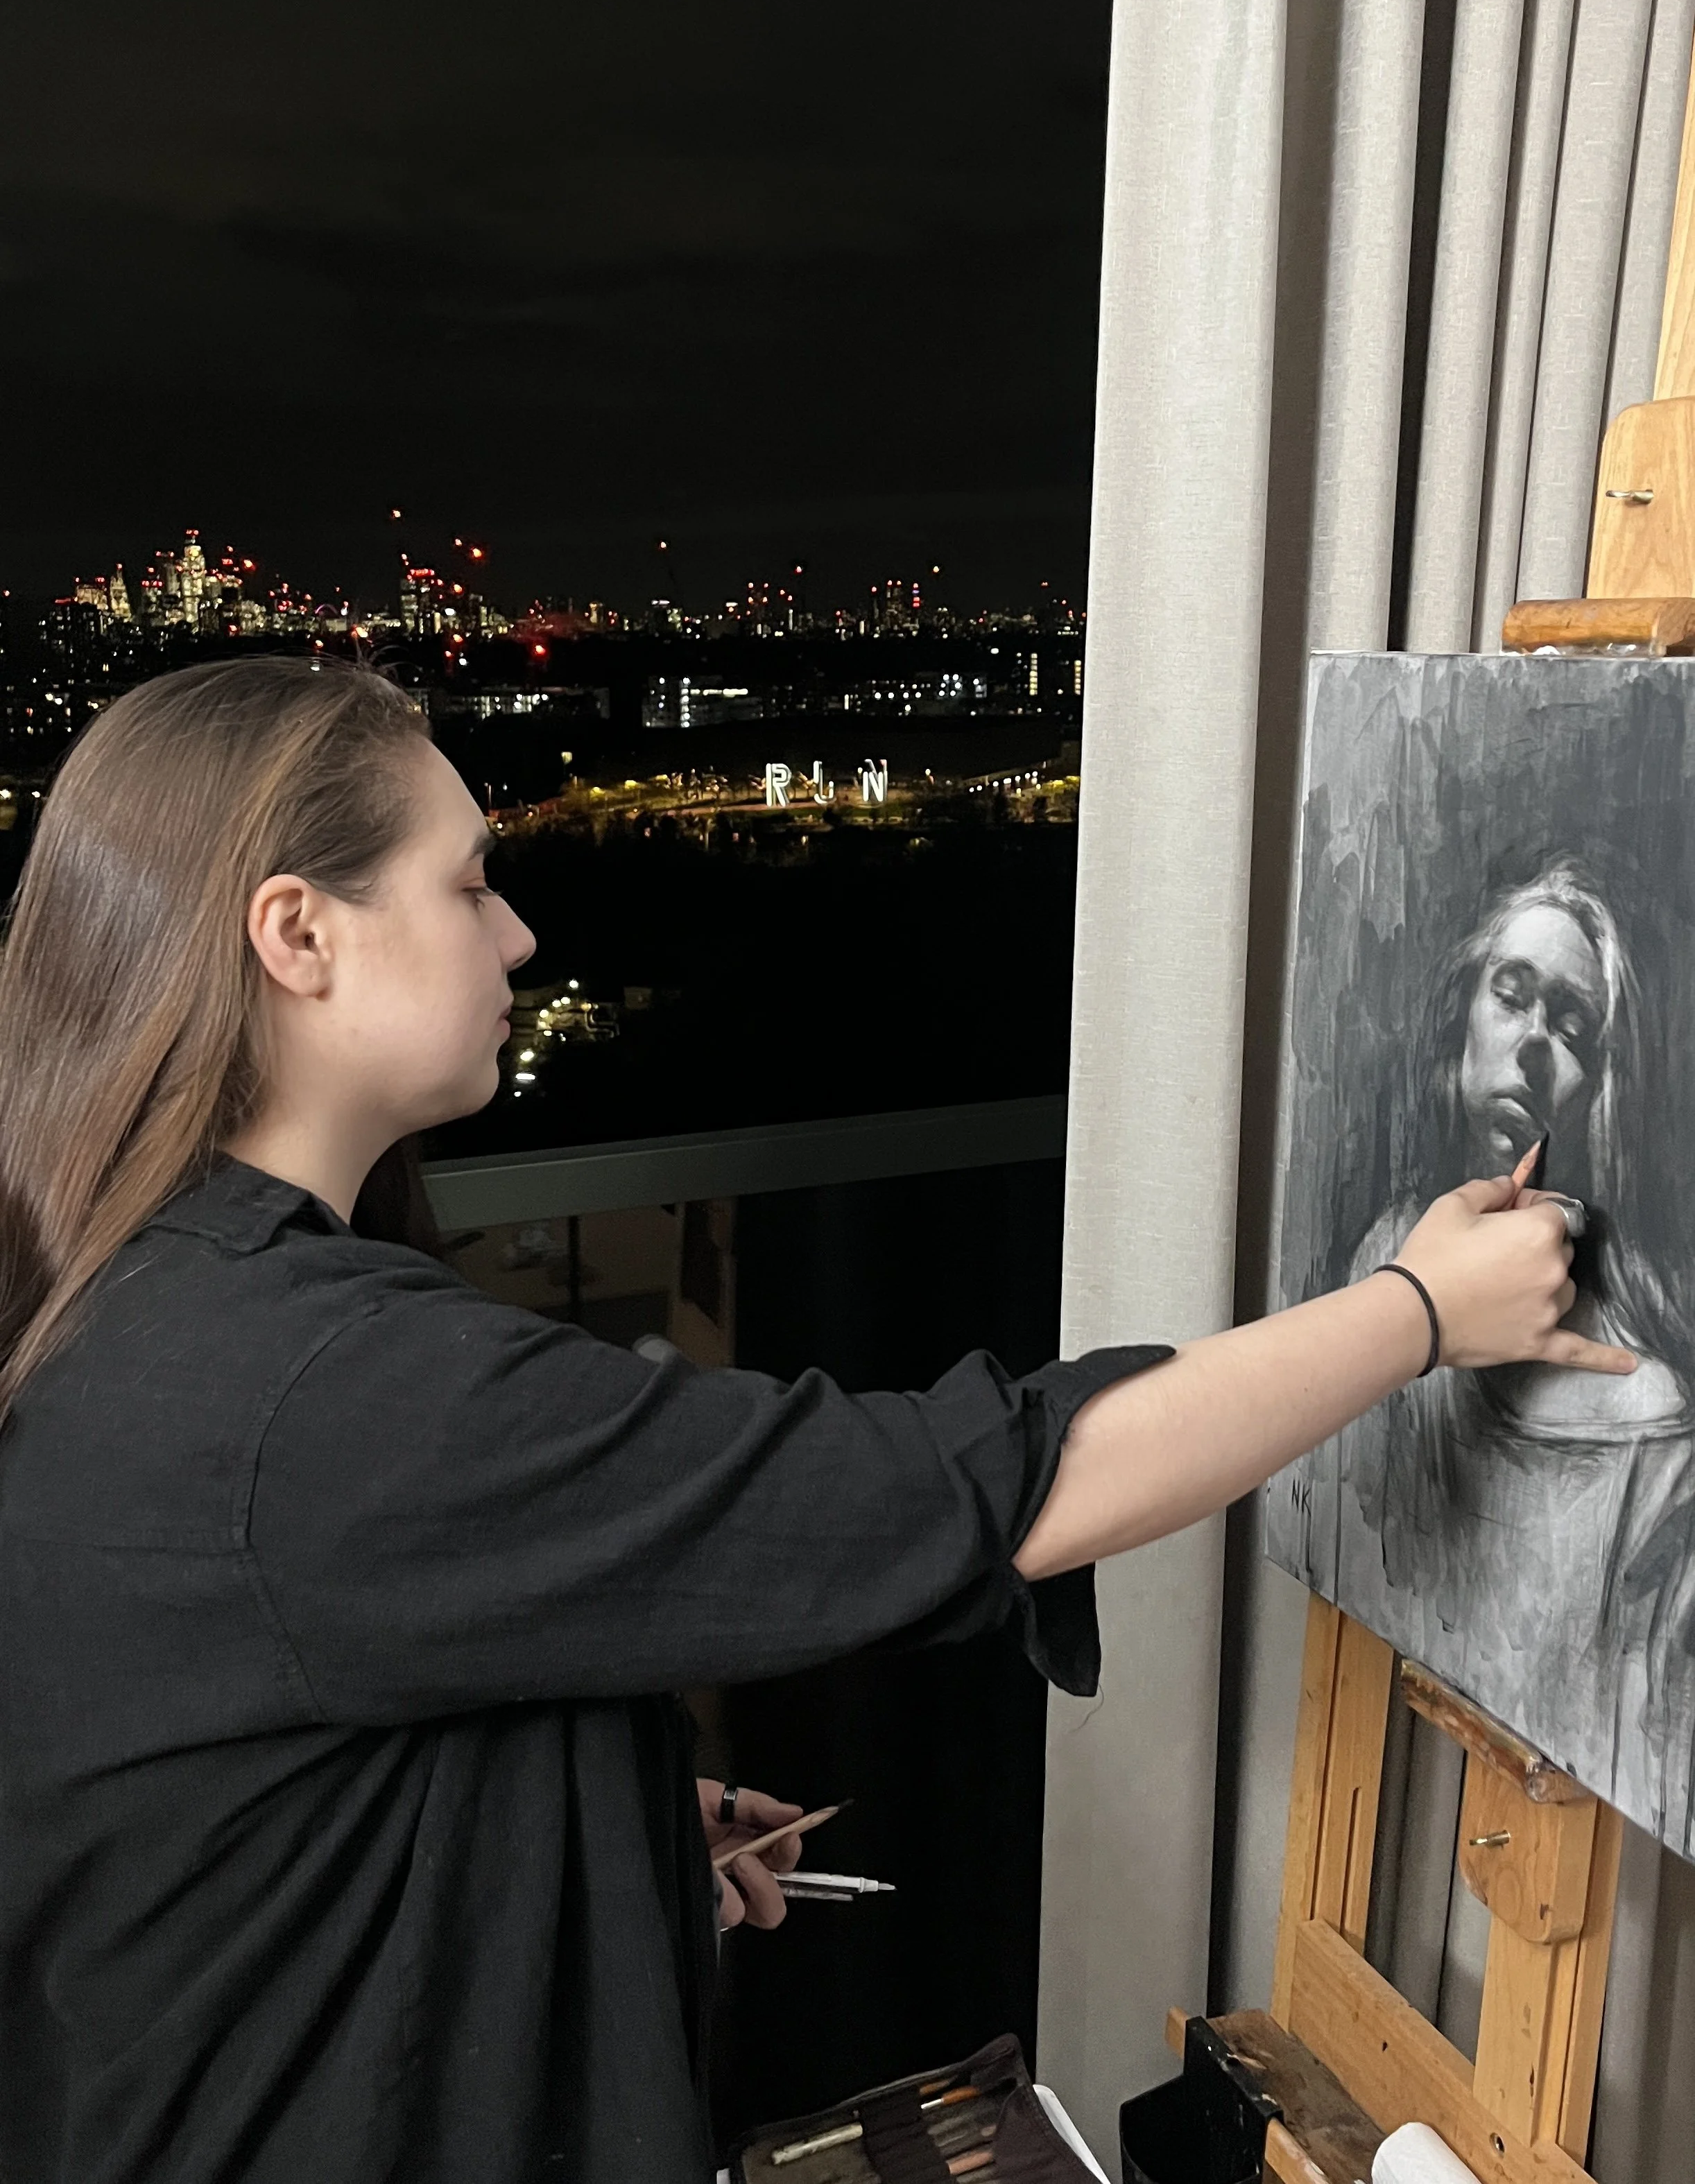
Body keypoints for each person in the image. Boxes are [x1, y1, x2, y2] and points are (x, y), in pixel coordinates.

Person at [0, 661, 1622, 2184]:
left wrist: (611, 1836)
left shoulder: (145, 1308)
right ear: (298, 934)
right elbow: (973, 1488)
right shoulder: (322, 1393)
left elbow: (248, 1824)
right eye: (470, 884)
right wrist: (1418, 1313)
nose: (518, 936)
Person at [1318, 862, 1694, 1837]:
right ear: (1463, 1021)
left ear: (1606, 1086)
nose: (1531, 1045)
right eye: (1511, 995)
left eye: (1571, 1028)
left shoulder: (1652, 1421)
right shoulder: (1385, 1257)